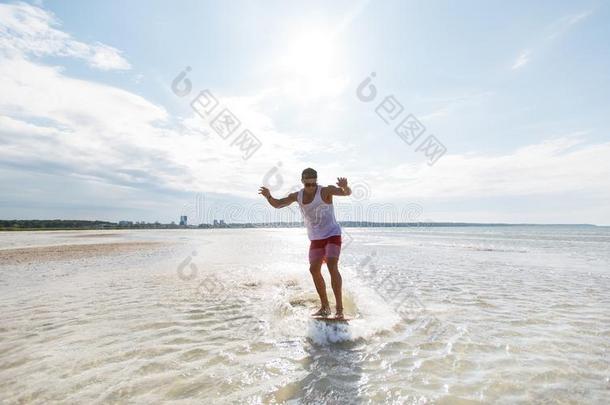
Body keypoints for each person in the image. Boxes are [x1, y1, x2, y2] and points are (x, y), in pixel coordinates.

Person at [258, 168, 351, 319]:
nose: (311, 187)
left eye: (313, 184)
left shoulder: (325, 191)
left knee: (332, 266)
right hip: (315, 238)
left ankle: (339, 309)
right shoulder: (298, 196)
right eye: (308, 185)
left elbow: (346, 193)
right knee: (314, 270)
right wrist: (268, 196)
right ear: (302, 182)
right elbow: (278, 204)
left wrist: (345, 186)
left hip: (332, 234)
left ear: (316, 181)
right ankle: (325, 307)